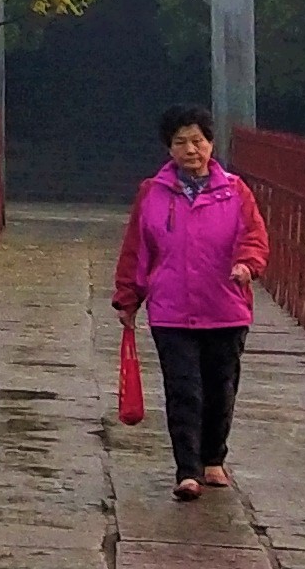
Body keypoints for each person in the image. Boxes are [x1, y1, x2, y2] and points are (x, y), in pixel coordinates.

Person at [112, 105, 268, 502]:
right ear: (169, 149)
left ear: (211, 144)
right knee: (183, 389)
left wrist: (247, 265)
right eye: (181, 142)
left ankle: (214, 457)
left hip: (225, 308)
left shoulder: (235, 191)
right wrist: (128, 298)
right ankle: (187, 470)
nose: (191, 150)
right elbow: (137, 249)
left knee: (221, 387)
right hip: (171, 309)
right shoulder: (152, 193)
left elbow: (254, 236)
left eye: (198, 141)